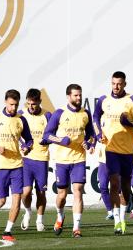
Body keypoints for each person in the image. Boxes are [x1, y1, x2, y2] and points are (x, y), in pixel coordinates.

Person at [93, 71, 133, 235]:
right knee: (113, 184)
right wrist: (98, 132)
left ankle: (123, 219)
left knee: (126, 187)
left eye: (119, 84)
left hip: (129, 152)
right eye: (114, 83)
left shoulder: (132, 100)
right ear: (111, 83)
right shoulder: (103, 100)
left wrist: (130, 122)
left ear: (124, 84)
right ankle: (117, 221)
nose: (116, 87)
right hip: (111, 150)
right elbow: (95, 117)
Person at [43, 84, 96, 238]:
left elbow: (91, 134)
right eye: (75, 95)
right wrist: (60, 140)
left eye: (80, 95)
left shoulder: (86, 113)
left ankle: (76, 228)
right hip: (61, 160)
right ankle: (60, 216)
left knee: (78, 191)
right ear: (68, 97)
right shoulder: (59, 113)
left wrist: (90, 143)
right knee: (61, 196)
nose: (79, 98)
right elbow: (46, 135)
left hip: (79, 159)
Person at [0, 89, 33, 242]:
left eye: (16, 105)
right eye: (11, 105)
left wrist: (26, 147)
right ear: (5, 102)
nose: (13, 108)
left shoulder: (21, 119)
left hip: (17, 166)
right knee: (1, 201)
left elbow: (29, 140)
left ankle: (8, 231)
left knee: (17, 199)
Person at [20, 89, 52, 231]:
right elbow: (15, 134)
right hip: (26, 159)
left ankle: (40, 220)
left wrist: (47, 141)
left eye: (34, 104)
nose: (31, 106)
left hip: (41, 159)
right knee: (25, 192)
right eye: (29, 103)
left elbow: (53, 134)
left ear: (39, 102)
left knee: (41, 192)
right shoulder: (21, 115)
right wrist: (23, 146)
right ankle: (27, 212)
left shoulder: (47, 115)